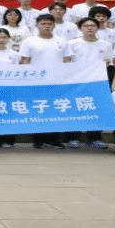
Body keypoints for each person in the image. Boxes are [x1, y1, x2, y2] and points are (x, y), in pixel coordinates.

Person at [19, 14, 72, 149]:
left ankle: (54, 139)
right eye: (43, 24)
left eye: (49, 24)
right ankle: (38, 139)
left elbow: (67, 61)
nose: (46, 26)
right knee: (38, 110)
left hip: (58, 81)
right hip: (36, 81)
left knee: (57, 110)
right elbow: (25, 61)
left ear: (54, 25)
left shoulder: (62, 41)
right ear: (37, 25)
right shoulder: (29, 41)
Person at [65, 17, 113, 149]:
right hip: (77, 82)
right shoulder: (72, 44)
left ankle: (94, 138)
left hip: (97, 82)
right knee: (75, 109)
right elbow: (67, 62)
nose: (89, 28)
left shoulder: (106, 45)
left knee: (96, 109)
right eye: (86, 26)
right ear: (81, 28)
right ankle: (74, 137)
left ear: (98, 28)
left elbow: (108, 63)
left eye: (93, 26)